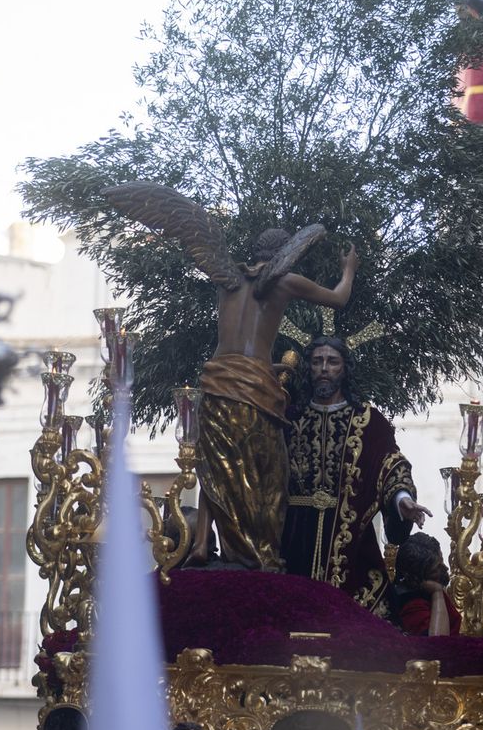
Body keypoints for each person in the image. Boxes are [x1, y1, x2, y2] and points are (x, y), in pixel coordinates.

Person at [105, 182, 360, 571]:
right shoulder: (284, 282)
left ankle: (204, 542)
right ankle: (258, 551)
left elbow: (239, 344)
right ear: (283, 256)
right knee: (266, 471)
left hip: (218, 381)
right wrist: (349, 269)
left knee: (216, 465)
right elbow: (339, 299)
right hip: (255, 387)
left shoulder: (226, 282)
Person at [282, 337, 429, 610]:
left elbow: (390, 462)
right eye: (317, 362)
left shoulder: (369, 421)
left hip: (349, 545)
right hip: (294, 537)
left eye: (332, 362)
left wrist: (401, 498)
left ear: (345, 369)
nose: (324, 368)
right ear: (308, 369)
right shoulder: (289, 418)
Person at [388, 532, 460, 636]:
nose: (445, 568)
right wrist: (437, 592)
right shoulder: (411, 605)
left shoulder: (425, 593)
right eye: (437, 568)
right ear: (418, 576)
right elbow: (439, 642)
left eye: (442, 561)